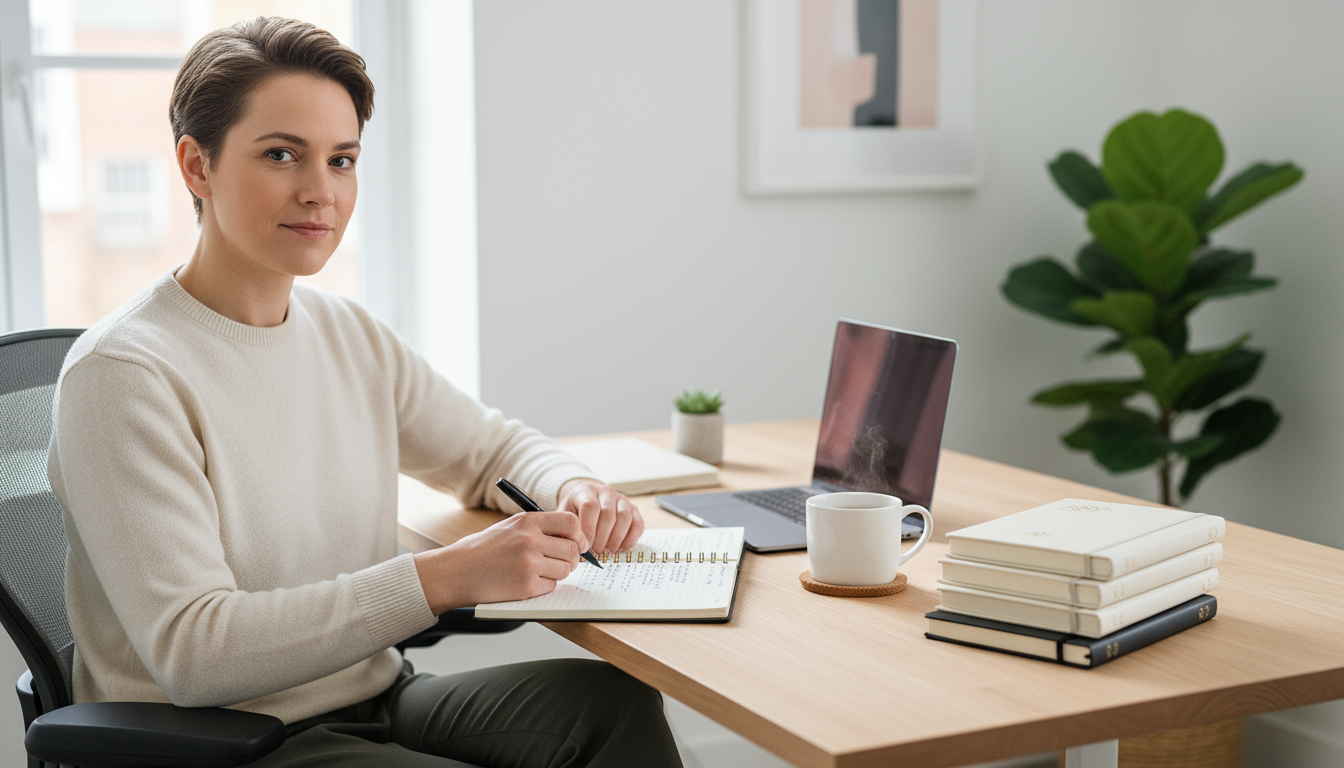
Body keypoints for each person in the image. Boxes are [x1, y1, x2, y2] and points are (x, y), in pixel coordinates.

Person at [46, 16, 683, 768]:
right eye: (282, 154)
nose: (320, 193)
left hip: (371, 701)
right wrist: (443, 577)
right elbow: (195, 653)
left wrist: (572, 486)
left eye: (341, 160)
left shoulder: (346, 333)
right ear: (197, 166)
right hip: (223, 744)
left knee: (612, 706)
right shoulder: (124, 375)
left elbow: (491, 449)